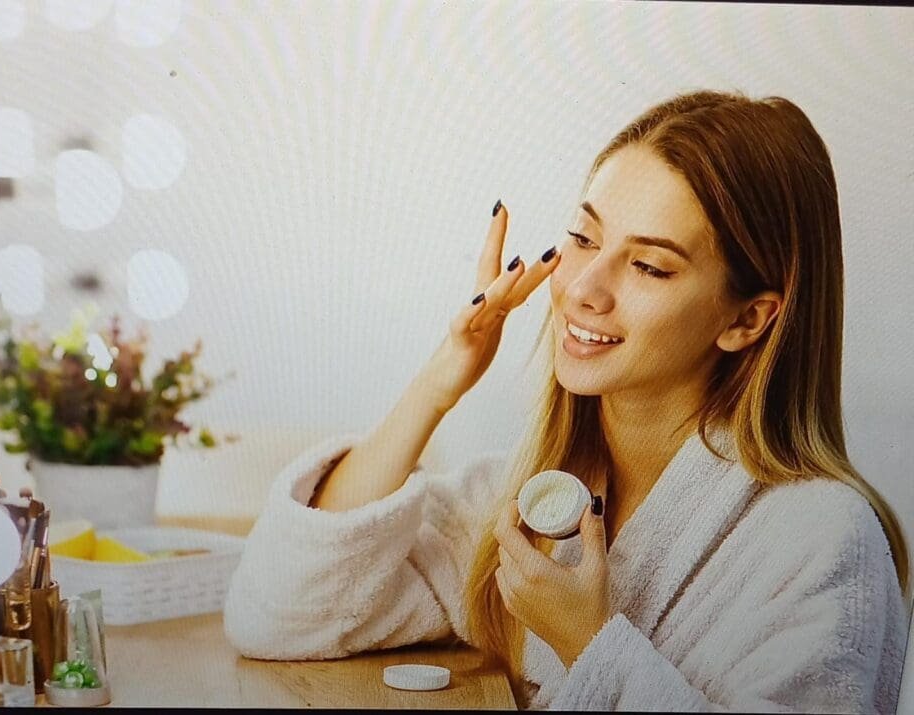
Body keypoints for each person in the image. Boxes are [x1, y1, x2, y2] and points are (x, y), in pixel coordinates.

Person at [223, 90, 909, 712]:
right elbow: (281, 613)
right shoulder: (526, 504)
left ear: (747, 318)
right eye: (583, 238)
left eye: (649, 266)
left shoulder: (822, 539)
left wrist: (590, 645)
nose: (583, 288)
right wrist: (441, 381)